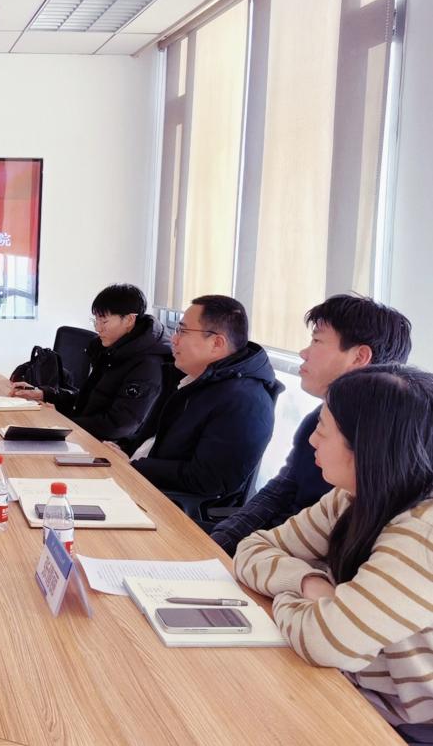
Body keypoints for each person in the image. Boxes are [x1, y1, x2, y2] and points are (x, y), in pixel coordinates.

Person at [234, 365, 433, 736]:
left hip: (407, 726)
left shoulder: (423, 533)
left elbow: (324, 641)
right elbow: (253, 547)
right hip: (353, 687)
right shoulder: (351, 496)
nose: (312, 440)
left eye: (323, 430)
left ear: (368, 447)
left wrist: (312, 603)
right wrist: (310, 583)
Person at [212, 295, 412, 554]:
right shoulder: (319, 419)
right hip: (269, 550)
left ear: (359, 356)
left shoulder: (391, 444)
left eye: (317, 341)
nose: (303, 353)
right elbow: (279, 492)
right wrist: (219, 543)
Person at [129, 295, 283, 513]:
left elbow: (207, 480)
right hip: (141, 481)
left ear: (217, 343)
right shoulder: (192, 379)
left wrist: (136, 466)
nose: (174, 339)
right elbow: (153, 438)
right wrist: (124, 452)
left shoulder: (244, 401)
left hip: (167, 506)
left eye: (182, 331)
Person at [10, 284, 173, 449]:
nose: (97, 328)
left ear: (129, 320)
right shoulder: (112, 350)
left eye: (104, 321)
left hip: (106, 448)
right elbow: (90, 401)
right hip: (84, 436)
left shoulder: (147, 365)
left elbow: (117, 426)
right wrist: (46, 395)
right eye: (96, 320)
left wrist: (62, 421)